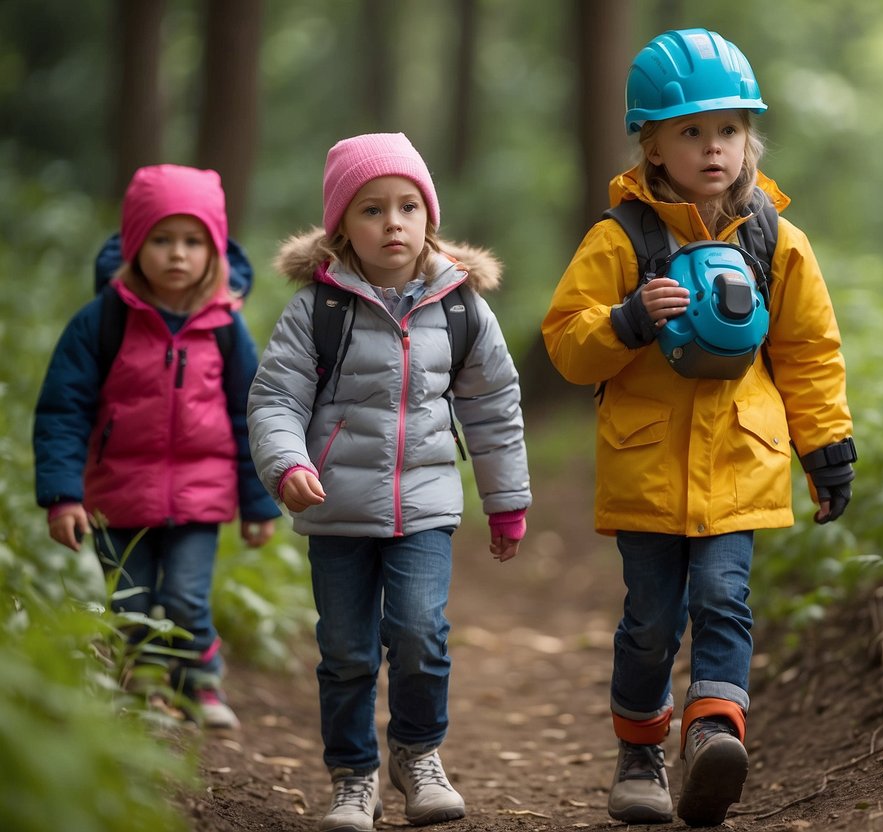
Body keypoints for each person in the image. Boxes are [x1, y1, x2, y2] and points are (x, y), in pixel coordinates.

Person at [542, 28, 857, 827]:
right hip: (646, 467)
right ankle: (641, 751)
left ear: (749, 138)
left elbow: (809, 353)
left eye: (727, 130)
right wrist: (625, 321)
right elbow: (567, 345)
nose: (712, 147)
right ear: (651, 143)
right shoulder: (621, 239)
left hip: (739, 464)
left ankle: (712, 733)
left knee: (723, 600)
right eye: (689, 131)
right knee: (650, 622)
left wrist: (824, 447)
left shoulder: (777, 243)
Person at [247, 132, 531, 832]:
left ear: (428, 217)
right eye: (371, 209)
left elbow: (493, 409)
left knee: (418, 633)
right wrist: (288, 464)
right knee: (345, 651)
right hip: (335, 504)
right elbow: (276, 399)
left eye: (408, 206)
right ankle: (352, 777)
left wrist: (506, 503)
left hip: (426, 505)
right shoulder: (319, 309)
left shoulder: (461, 307)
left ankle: (417, 754)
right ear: (341, 223)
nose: (393, 222)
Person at [33, 163, 281, 731]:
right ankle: (142, 689)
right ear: (133, 245)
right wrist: (62, 496)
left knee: (189, 599)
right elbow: (62, 411)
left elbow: (253, 416)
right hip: (118, 496)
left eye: (193, 242)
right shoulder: (103, 323)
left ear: (215, 251)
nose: (177, 254)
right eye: (161, 239)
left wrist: (259, 503)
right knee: (131, 602)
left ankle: (201, 683)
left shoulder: (224, 328)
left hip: (200, 496)